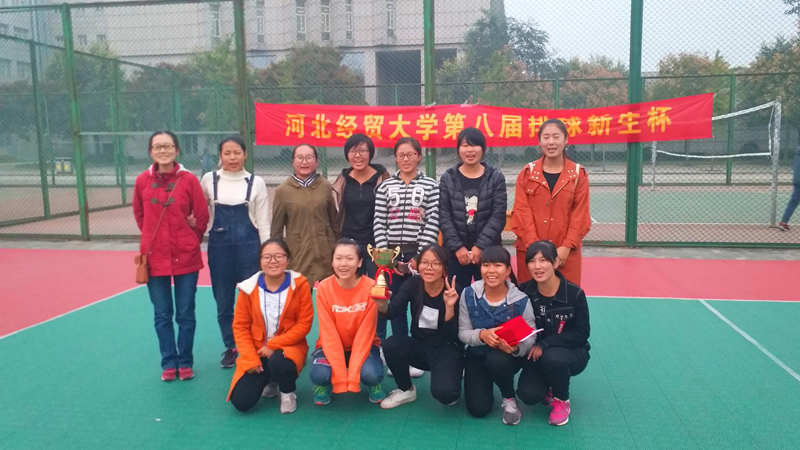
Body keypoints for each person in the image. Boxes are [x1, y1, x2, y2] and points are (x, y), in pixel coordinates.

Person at [133, 131, 209, 382]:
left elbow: (201, 215)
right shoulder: (142, 181)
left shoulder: (188, 180)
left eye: (167, 146)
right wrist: (153, 239)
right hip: (154, 258)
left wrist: (190, 237)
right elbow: (140, 216)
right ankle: (168, 362)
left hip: (186, 256)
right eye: (158, 147)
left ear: (176, 150)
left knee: (185, 313)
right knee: (162, 314)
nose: (163, 151)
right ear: (150, 152)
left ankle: (185, 361)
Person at [201, 135, 269, 369]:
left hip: (250, 248)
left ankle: (254, 344)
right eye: (227, 153)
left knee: (253, 301)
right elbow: (200, 214)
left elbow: (263, 222)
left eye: (237, 152)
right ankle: (231, 347)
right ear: (220, 155)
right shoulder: (209, 180)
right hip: (219, 250)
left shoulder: (256, 182)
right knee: (223, 301)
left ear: (245, 154)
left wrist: (266, 252)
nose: (232, 157)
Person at [373, 137, 439, 376]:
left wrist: (420, 257)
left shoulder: (431, 185)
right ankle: (398, 352)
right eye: (401, 155)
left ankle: (417, 355)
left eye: (410, 154)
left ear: (419, 156)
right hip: (391, 254)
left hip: (418, 254)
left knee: (418, 304)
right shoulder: (385, 186)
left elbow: (433, 220)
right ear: (395, 158)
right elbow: (379, 221)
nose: (406, 159)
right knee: (396, 305)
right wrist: (385, 255)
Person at [226, 239, 314, 414]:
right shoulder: (248, 289)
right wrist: (250, 358)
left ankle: (287, 392)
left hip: (288, 348)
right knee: (241, 402)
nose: (273, 261)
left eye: (279, 256)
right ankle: (270, 380)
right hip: (258, 351)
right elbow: (240, 327)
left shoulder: (300, 285)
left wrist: (273, 345)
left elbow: (304, 324)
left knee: (280, 362)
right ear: (260, 261)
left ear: (287, 260)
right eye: (267, 257)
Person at [373, 245, 463, 409]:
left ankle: (455, 372)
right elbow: (392, 312)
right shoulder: (413, 284)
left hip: (446, 348)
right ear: (418, 265)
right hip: (420, 346)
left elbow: (455, 334)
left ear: (444, 267)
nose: (429, 267)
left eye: (436, 263)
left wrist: (450, 307)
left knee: (446, 395)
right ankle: (406, 389)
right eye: (425, 262)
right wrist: (382, 304)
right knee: (391, 344)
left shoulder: (453, 290)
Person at [458, 246, 536, 425]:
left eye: (498, 265)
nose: (491, 271)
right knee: (478, 409)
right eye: (486, 265)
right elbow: (463, 332)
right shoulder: (468, 294)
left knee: (497, 360)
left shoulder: (521, 300)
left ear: (508, 270)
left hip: (505, 358)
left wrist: (515, 348)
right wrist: (482, 335)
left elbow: (530, 335)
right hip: (477, 355)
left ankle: (509, 397)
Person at [516, 240, 590, 426]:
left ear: (556, 262)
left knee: (553, 358)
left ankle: (561, 400)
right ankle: (549, 385)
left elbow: (582, 333)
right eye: (532, 261)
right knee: (528, 395)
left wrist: (545, 344)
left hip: (570, 352)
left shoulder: (574, 294)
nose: (537, 266)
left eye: (543, 260)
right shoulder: (523, 291)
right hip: (535, 354)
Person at [511, 118, 590, 285]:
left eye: (556, 136)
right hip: (531, 253)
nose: (551, 142)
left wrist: (566, 247)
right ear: (539, 142)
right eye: (546, 137)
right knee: (529, 297)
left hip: (565, 255)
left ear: (566, 140)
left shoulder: (578, 174)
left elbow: (580, 215)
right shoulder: (527, 173)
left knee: (566, 297)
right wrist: (536, 250)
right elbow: (521, 212)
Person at [309, 238, 386, 405]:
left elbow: (365, 334)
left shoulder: (372, 287)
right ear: (332, 261)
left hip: (365, 345)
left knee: (371, 374)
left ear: (359, 262)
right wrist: (340, 380)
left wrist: (351, 380)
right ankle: (324, 384)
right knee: (320, 375)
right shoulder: (323, 288)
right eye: (338, 258)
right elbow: (329, 334)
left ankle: (373, 383)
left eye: (349, 258)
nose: (343, 264)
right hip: (330, 345)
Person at [439, 127, 507, 293]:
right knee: (455, 295)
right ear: (458, 150)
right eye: (465, 146)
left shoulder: (495, 177)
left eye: (474, 145)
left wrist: (480, 247)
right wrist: (458, 248)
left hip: (488, 252)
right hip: (456, 254)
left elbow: (498, 216)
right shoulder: (448, 178)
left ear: (483, 149)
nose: (470, 150)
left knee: (490, 296)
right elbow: (444, 216)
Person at [271, 144, 338, 287]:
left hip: (325, 254)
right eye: (300, 158)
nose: (304, 162)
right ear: (293, 162)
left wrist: (337, 249)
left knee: (327, 294)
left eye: (309, 157)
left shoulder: (325, 186)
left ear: (316, 161)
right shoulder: (283, 191)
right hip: (298, 255)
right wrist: (277, 256)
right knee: (300, 296)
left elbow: (335, 222)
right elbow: (276, 230)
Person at [331, 133, 390, 276]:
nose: (358, 155)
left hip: (376, 243)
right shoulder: (343, 180)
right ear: (347, 155)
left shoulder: (382, 178)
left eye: (363, 151)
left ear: (370, 153)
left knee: (377, 284)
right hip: (349, 242)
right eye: (353, 151)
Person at [778, 145, 800, 231]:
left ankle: (784, 221)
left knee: (793, 202)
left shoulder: (797, 156)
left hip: (797, 181)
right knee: (793, 202)